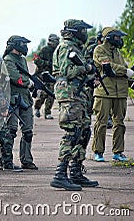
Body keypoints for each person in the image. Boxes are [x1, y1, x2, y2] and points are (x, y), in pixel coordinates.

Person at [50, 19, 99, 191]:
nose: (85, 33)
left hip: (78, 94)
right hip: (70, 94)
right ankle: (60, 174)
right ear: (73, 31)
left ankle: (76, 171)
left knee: (83, 131)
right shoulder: (66, 47)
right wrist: (86, 68)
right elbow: (66, 71)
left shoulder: (75, 48)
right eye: (82, 30)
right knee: (72, 131)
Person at [92, 27, 132, 162]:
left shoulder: (118, 53)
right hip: (104, 91)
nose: (120, 40)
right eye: (118, 37)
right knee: (101, 122)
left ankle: (118, 152)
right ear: (109, 37)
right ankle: (98, 152)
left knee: (119, 123)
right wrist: (126, 71)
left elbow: (123, 70)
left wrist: (130, 75)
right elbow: (109, 66)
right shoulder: (99, 50)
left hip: (120, 92)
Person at [2, 35, 37, 171]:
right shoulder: (8, 60)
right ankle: (5, 159)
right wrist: (30, 84)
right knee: (11, 131)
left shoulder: (22, 60)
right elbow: (16, 78)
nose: (24, 46)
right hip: (12, 99)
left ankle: (26, 160)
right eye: (22, 44)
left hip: (25, 99)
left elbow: (24, 77)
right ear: (15, 45)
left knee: (28, 131)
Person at [33, 34, 60, 119]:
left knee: (51, 94)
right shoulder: (44, 50)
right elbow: (37, 61)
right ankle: (37, 107)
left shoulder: (57, 51)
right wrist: (48, 64)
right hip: (42, 75)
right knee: (43, 93)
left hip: (52, 75)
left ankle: (47, 112)